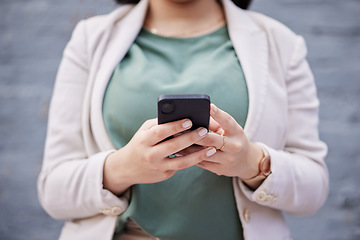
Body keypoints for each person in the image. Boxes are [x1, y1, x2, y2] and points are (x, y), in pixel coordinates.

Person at [37, 0, 329, 239]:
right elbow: (53, 191)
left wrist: (253, 163)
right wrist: (123, 169)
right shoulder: (90, 40)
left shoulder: (282, 44)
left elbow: (314, 188)